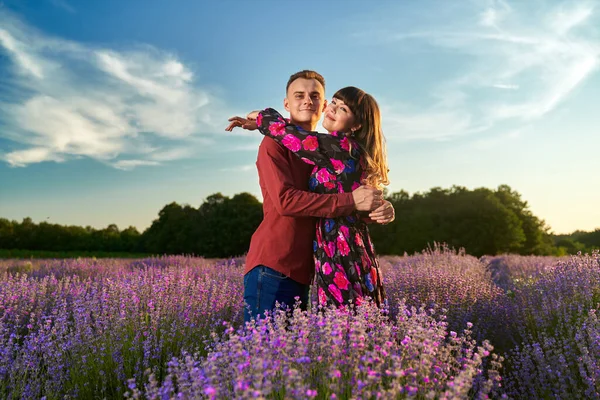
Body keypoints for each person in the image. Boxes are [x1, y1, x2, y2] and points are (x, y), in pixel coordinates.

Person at [226, 72, 393, 315]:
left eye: (315, 96)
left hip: (312, 266)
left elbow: (358, 196)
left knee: (315, 343)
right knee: (265, 348)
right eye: (299, 96)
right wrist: (265, 123)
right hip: (275, 263)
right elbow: (286, 201)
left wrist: (380, 206)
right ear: (287, 104)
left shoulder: (326, 150)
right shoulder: (276, 144)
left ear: (322, 105)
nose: (307, 101)